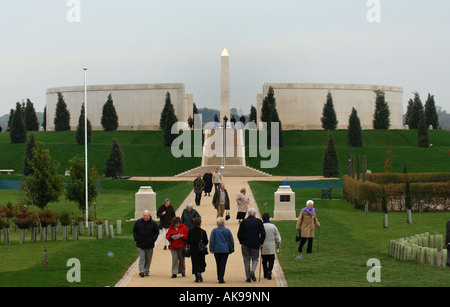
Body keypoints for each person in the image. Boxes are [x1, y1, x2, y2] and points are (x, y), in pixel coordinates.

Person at [237, 208, 266, 283]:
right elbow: (263, 233)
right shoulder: (258, 221)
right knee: (255, 259)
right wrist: (261, 242)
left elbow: (239, 234)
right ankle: (252, 271)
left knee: (246, 260)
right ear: (254, 214)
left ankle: (248, 277)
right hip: (255, 243)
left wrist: (241, 241)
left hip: (245, 243)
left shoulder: (244, 222)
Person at [133, 210, 159, 277]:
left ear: (149, 216)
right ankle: (141, 271)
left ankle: (146, 270)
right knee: (142, 257)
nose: (145, 217)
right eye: (144, 216)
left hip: (149, 244)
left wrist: (153, 239)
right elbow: (134, 230)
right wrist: (136, 238)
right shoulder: (138, 222)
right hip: (140, 244)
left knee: (148, 258)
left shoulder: (153, 223)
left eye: (146, 216)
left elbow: (156, 232)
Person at [209, 217, 234, 284]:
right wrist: (232, 248)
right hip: (225, 249)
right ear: (223, 223)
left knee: (218, 263)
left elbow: (211, 240)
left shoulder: (214, 230)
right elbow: (231, 240)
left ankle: (219, 276)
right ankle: (221, 277)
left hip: (217, 249)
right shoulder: (227, 230)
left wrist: (211, 249)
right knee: (223, 264)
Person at [187, 217, 208, 282]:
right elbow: (206, 241)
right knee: (201, 262)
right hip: (201, 250)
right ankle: (200, 272)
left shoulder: (190, 231)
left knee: (194, 263)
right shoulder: (203, 232)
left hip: (193, 249)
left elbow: (188, 241)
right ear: (200, 223)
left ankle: (196, 277)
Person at [261, 213, 281, 280]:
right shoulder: (273, 226)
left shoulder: (261, 226)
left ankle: (265, 273)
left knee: (264, 261)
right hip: (271, 246)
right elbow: (277, 236)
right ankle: (269, 270)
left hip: (263, 246)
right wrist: (279, 244)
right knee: (271, 260)